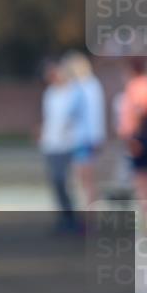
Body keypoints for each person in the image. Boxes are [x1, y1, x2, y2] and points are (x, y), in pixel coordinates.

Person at [39, 59, 80, 232]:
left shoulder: (72, 93)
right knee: (55, 182)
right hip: (51, 144)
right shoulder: (49, 93)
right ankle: (64, 218)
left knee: (64, 181)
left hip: (66, 145)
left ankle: (72, 218)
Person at [62, 51, 106, 206]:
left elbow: (71, 112)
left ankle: (88, 218)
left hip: (82, 138)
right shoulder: (93, 84)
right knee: (90, 181)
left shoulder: (79, 87)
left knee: (84, 182)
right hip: (92, 138)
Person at [117, 57, 147, 224]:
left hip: (141, 139)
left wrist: (134, 138)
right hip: (144, 138)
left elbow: (140, 111)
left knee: (142, 183)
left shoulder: (138, 85)